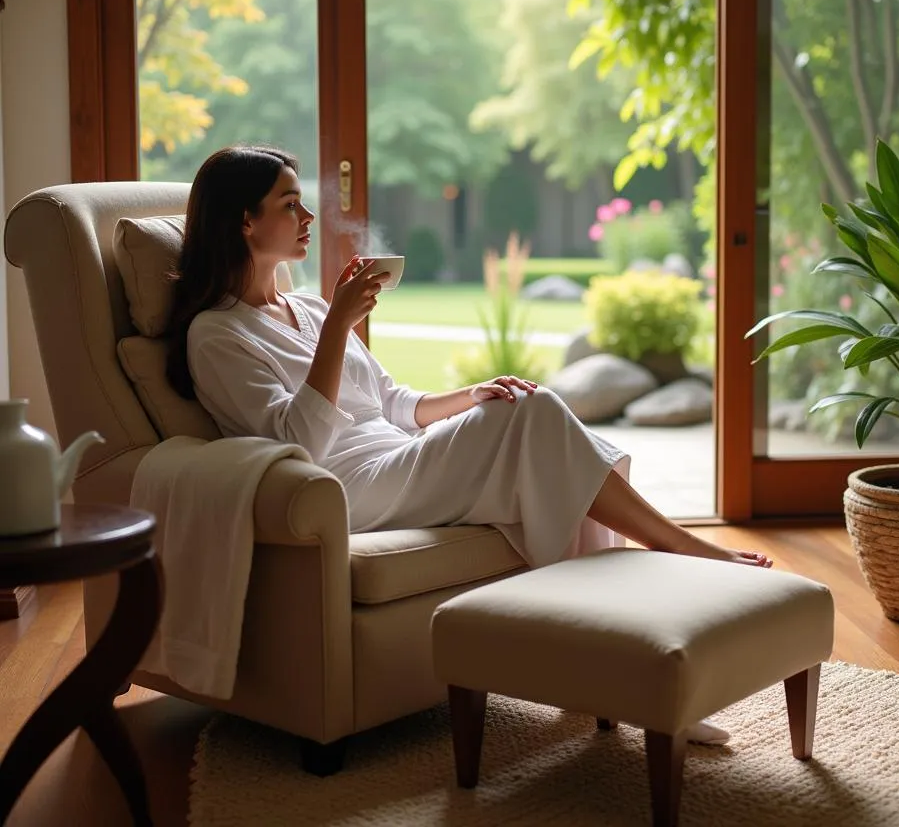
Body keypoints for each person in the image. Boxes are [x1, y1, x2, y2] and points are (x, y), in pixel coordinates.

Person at [167, 144, 772, 573]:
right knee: (533, 419)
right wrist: (339, 328)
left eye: (303, 203)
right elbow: (299, 444)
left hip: (399, 456)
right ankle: (673, 545)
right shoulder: (217, 336)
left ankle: (612, 620)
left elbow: (395, 402)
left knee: (524, 404)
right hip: (344, 487)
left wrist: (472, 394)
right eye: (288, 205)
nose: (306, 218)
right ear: (245, 221)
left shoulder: (306, 305)